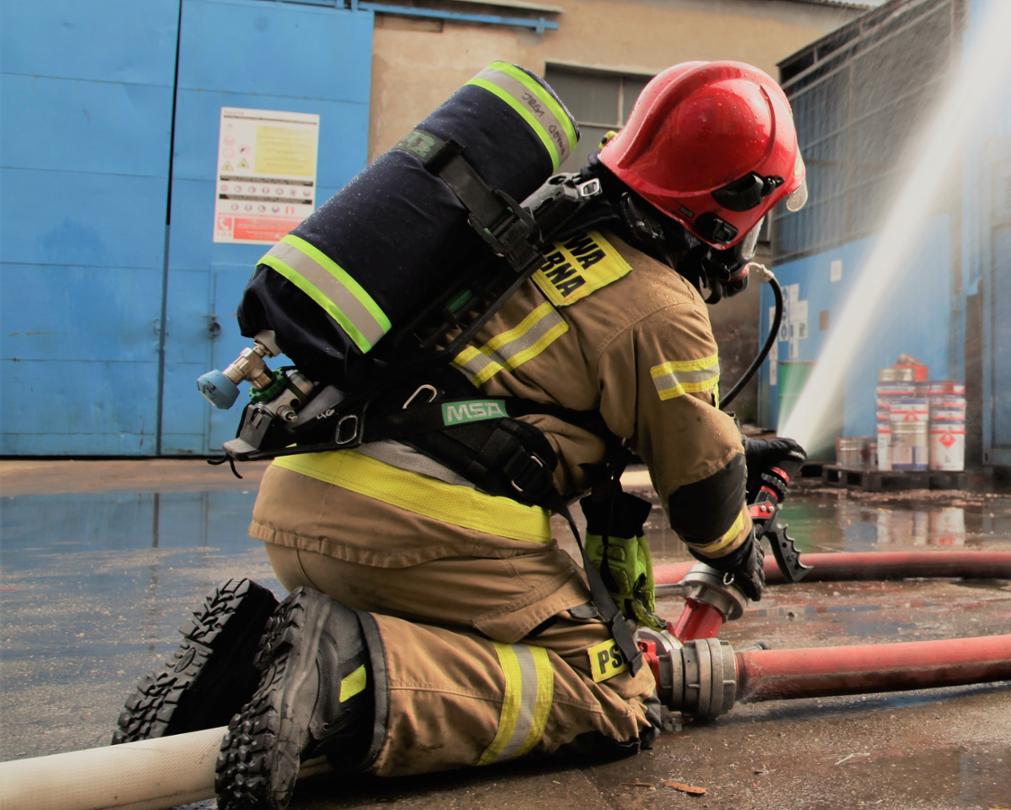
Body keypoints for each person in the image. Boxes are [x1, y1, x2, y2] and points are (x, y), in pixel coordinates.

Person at [118, 61, 808, 810]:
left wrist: (730, 450)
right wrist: (736, 543)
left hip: (310, 502)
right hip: (414, 531)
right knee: (610, 691)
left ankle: (247, 664)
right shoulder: (664, 306)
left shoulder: (539, 225)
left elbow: (545, 393)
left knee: (497, 641)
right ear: (726, 210)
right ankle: (342, 672)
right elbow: (705, 505)